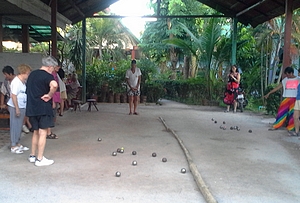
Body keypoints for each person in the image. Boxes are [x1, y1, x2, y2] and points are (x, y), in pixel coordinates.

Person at [26, 56, 58, 166]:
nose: (53, 70)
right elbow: (54, 85)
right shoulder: (47, 76)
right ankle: (40, 159)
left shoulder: (32, 74)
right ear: (49, 67)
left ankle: (32, 155)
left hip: (31, 107)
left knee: (35, 132)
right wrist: (49, 95)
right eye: (53, 68)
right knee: (43, 132)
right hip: (43, 107)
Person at [264, 67, 298, 132]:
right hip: (286, 98)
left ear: (291, 73)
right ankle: (276, 125)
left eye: (288, 74)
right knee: (281, 112)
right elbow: (277, 87)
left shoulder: (298, 79)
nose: (287, 76)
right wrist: (269, 93)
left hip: (294, 99)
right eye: (286, 75)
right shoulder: (285, 80)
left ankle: (291, 128)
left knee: (292, 114)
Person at [7, 64, 31, 154]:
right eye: (28, 73)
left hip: (22, 105)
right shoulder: (16, 82)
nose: (28, 75)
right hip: (15, 106)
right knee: (15, 125)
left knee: (19, 125)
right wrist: (17, 108)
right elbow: (13, 96)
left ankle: (17, 142)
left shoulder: (23, 81)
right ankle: (13, 145)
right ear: (23, 73)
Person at [0, 66, 31, 133]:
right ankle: (20, 126)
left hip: (21, 100)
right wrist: (2, 104)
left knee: (24, 110)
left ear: (10, 74)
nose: (5, 76)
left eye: (6, 74)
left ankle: (23, 124)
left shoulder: (20, 80)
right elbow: (3, 93)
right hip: (10, 100)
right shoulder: (5, 82)